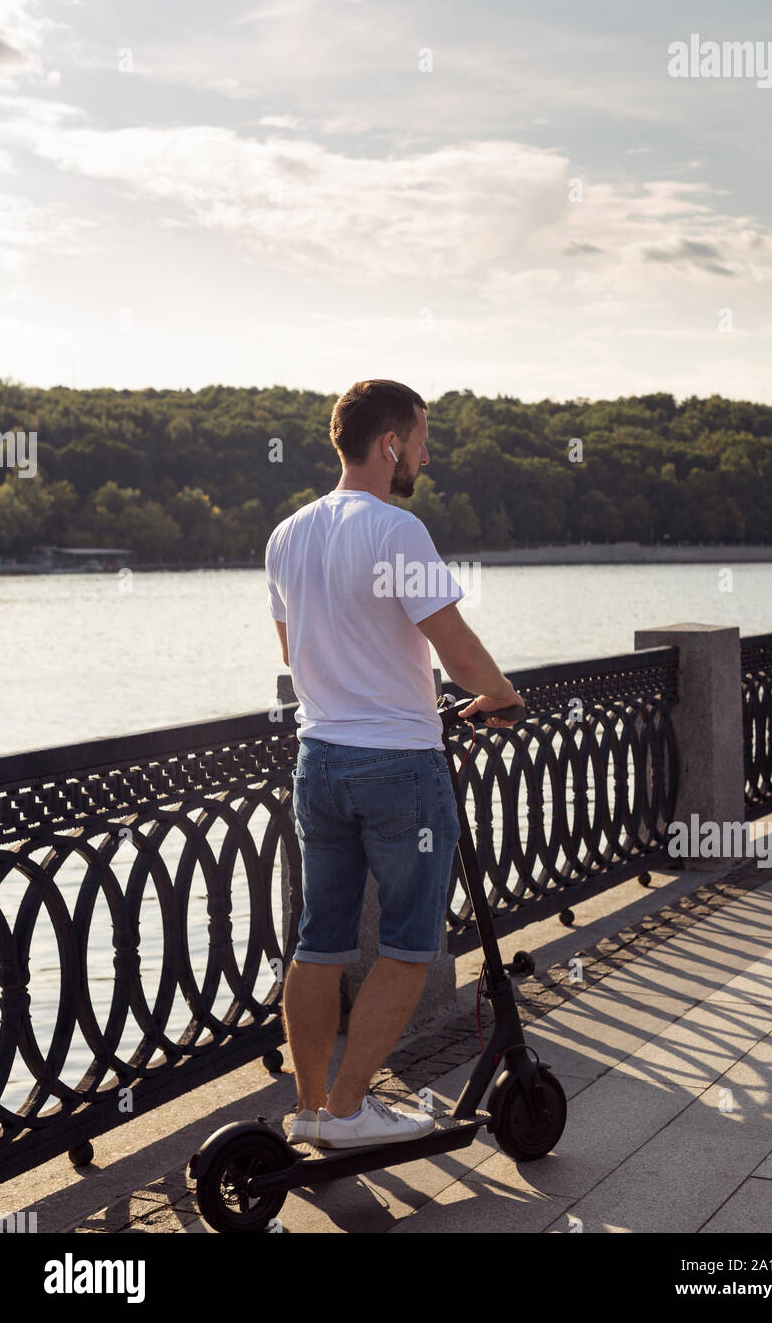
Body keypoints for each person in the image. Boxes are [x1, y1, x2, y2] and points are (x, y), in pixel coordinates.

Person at [265, 378, 524, 1149]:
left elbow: (294, 653)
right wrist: (504, 693)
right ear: (390, 445)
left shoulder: (286, 536)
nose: (426, 452)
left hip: (320, 758)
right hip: (399, 765)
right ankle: (348, 1110)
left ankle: (311, 1106)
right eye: (420, 438)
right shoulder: (396, 531)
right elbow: (458, 648)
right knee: (410, 945)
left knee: (320, 942)